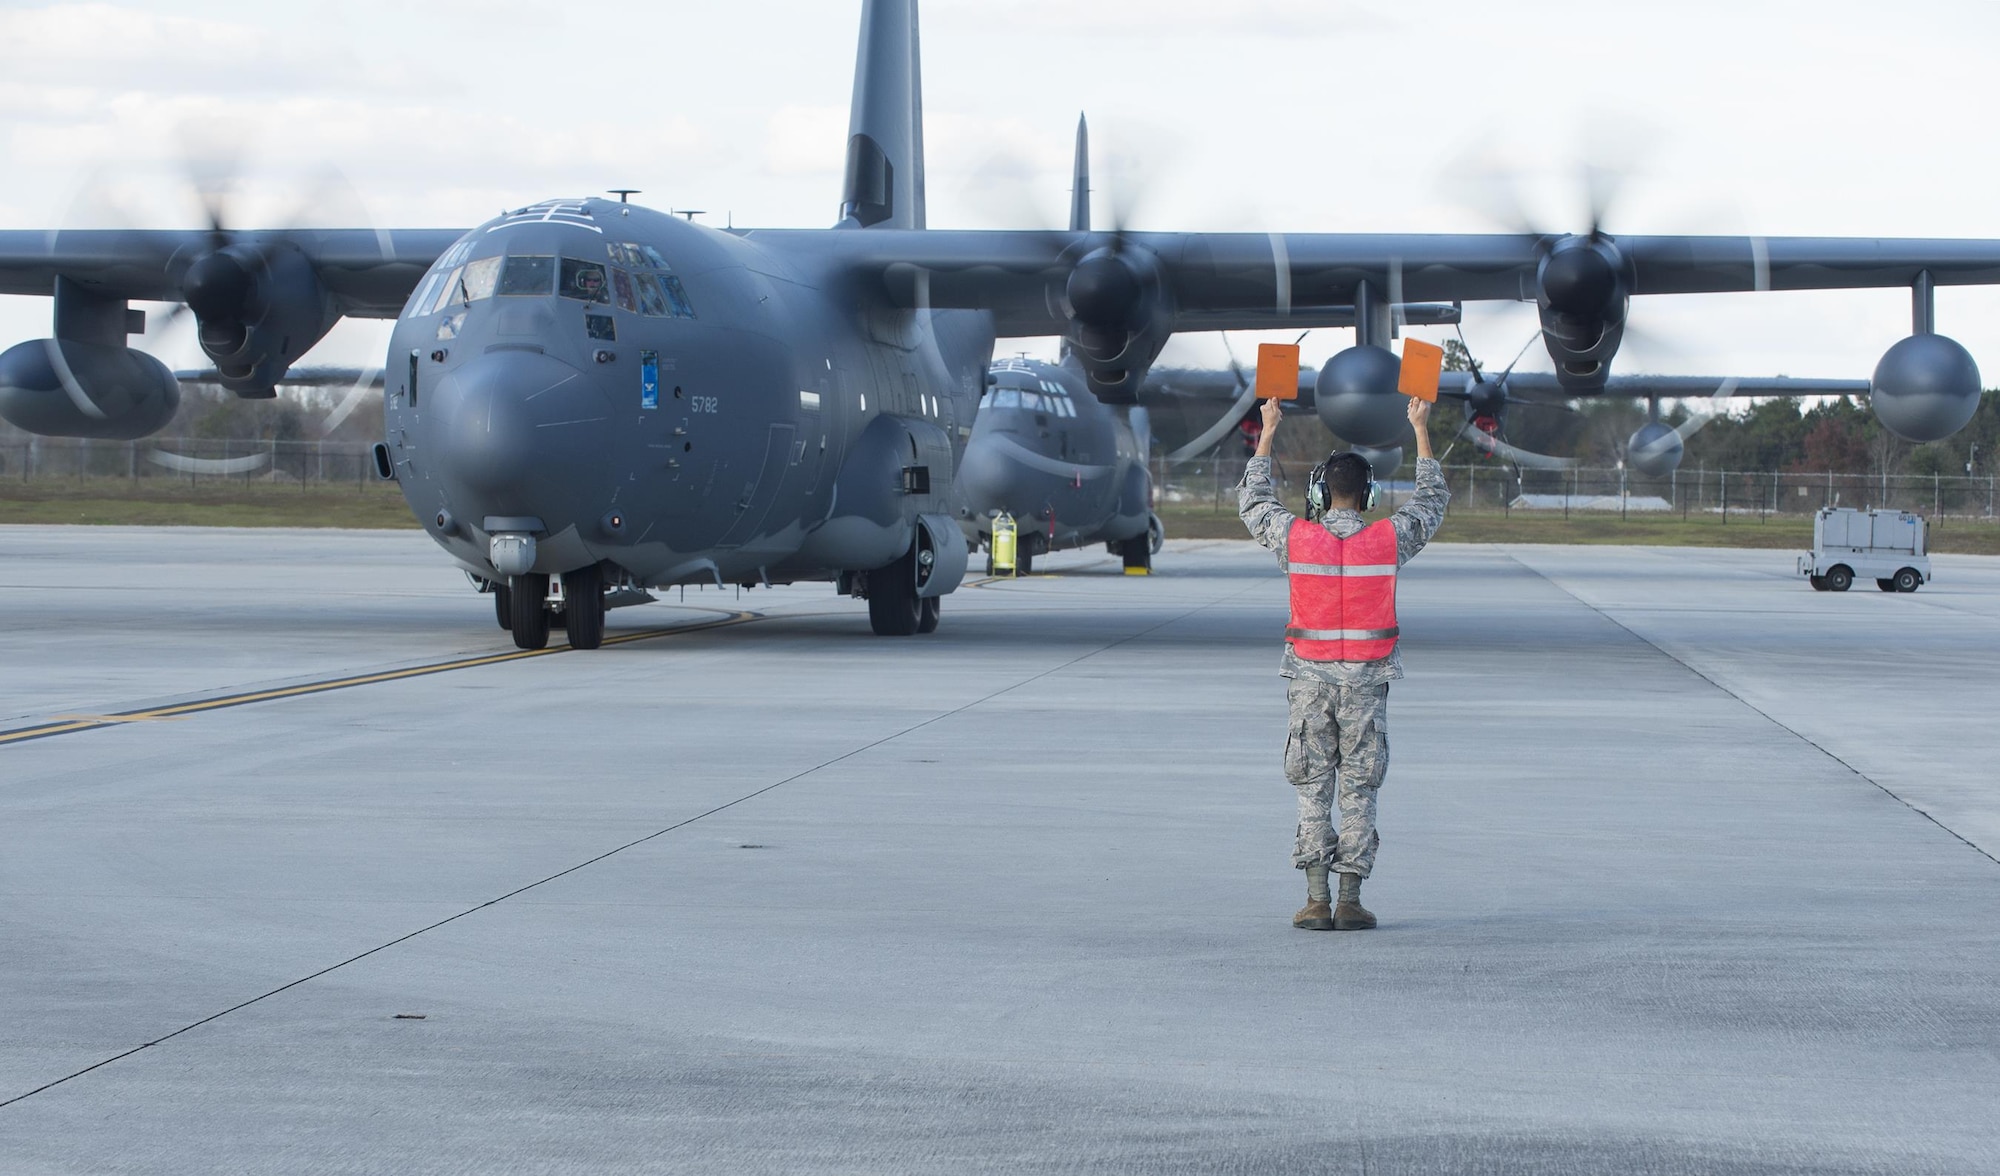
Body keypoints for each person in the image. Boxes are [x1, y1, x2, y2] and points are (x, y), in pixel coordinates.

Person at [1238, 395, 1448, 931]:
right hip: (1366, 685)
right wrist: (1420, 428)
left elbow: (1253, 499)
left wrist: (1267, 429)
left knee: (1313, 787)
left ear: (1320, 492)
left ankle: (1314, 900)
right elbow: (1432, 500)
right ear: (1369, 494)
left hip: (1309, 682)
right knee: (1359, 788)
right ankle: (1350, 900)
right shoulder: (1386, 541)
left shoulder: (1297, 538)